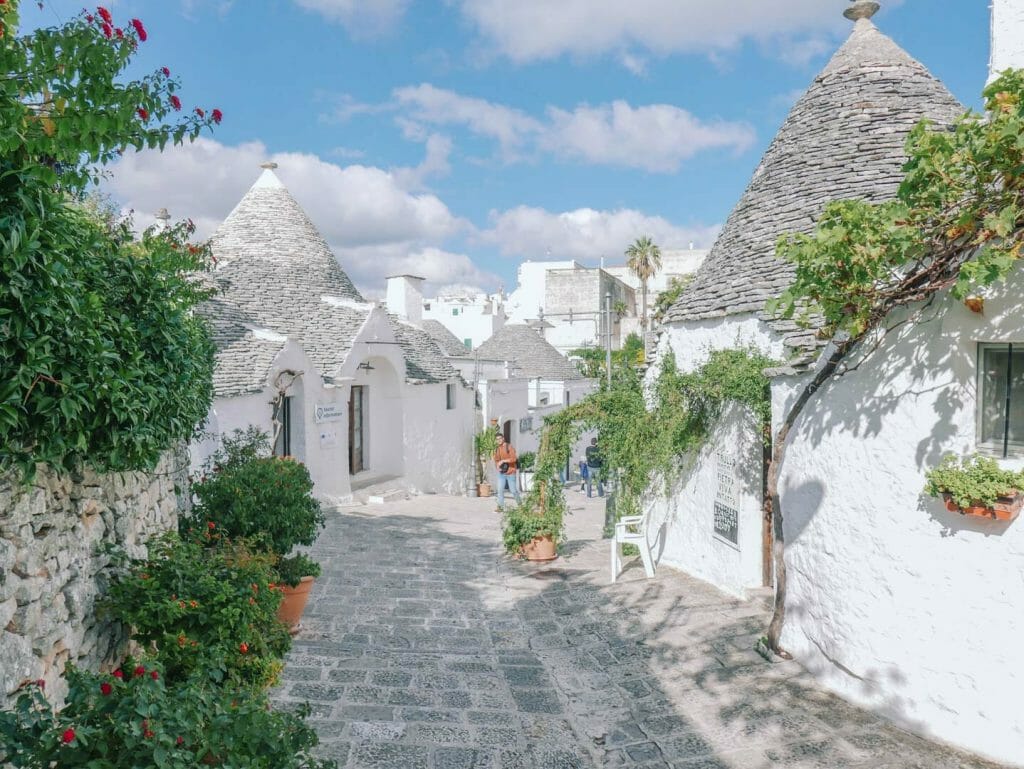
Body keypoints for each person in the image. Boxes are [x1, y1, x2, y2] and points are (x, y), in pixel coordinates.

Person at [493, 434, 520, 511]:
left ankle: (521, 506)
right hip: (502, 473)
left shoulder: (509, 447)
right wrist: (498, 467)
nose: (499, 440)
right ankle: (500, 507)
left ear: (503, 438)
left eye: (500, 438)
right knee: (500, 490)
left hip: (511, 472)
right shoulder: (497, 449)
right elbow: (496, 460)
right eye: (497, 439)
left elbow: (514, 459)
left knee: (513, 491)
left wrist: (503, 460)